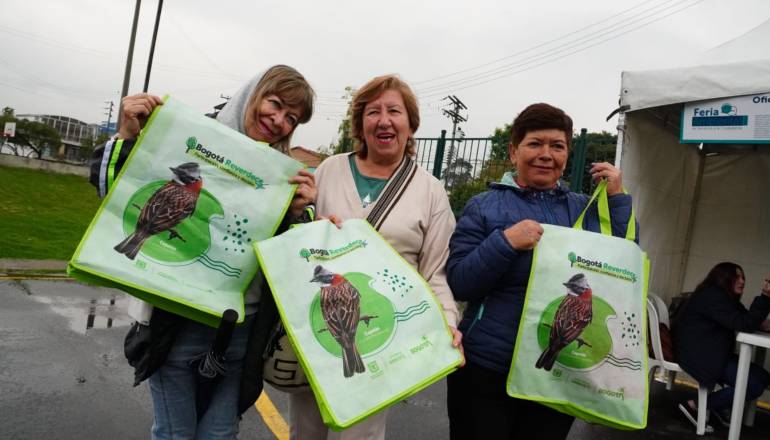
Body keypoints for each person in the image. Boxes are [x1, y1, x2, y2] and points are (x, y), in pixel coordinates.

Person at [89, 65, 317, 439]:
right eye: (275, 104)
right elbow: (116, 194)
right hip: (178, 320)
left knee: (220, 434)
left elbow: (294, 258)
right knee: (175, 432)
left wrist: (296, 213)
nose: (279, 121)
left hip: (242, 327)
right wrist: (128, 136)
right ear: (252, 94)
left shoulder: (285, 177)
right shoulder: (187, 138)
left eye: (291, 118)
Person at [445, 103, 638, 439]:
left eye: (557, 146)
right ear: (513, 151)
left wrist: (617, 199)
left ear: (567, 154)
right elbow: (460, 283)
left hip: (556, 375)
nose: (546, 154)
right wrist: (505, 242)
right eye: (535, 143)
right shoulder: (483, 207)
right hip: (488, 367)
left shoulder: (585, 208)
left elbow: (620, 266)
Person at [287, 74, 463, 440]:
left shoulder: (430, 191)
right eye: (373, 112)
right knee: (306, 428)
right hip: (319, 323)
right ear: (360, 123)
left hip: (382, 332)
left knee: (361, 432)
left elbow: (436, 272)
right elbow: (300, 241)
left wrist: (446, 322)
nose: (384, 120)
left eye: (394, 111)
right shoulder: (329, 169)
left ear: (410, 124)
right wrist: (302, 217)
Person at [673, 262, 770, 428]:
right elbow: (744, 323)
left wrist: (761, 322)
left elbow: (747, 319)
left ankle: (717, 405)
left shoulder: (724, 298)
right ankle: (696, 406)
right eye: (737, 277)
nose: (742, 281)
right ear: (723, 278)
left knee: (763, 377)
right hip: (700, 357)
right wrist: (765, 297)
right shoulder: (713, 296)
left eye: (743, 277)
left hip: (712, 353)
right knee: (753, 385)